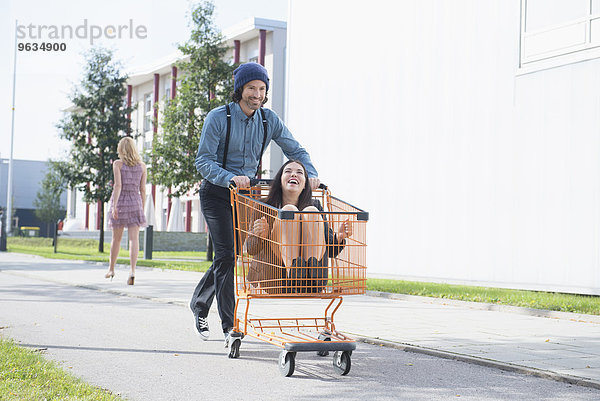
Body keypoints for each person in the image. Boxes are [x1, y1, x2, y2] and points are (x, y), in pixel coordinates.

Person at [191, 62, 320, 344]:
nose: (257, 94)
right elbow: (203, 160)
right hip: (217, 193)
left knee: (237, 255)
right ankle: (230, 325)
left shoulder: (268, 120)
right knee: (226, 255)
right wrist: (230, 178)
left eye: (262, 89)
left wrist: (310, 173)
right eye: (251, 88)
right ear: (240, 89)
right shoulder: (218, 118)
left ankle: (199, 303)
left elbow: (295, 149)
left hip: (248, 197)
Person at [245, 160, 352, 294]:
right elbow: (250, 249)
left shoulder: (316, 206)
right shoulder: (263, 206)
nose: (294, 174)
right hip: (276, 277)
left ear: (305, 185)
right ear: (280, 180)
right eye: (288, 171)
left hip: (311, 282)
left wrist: (339, 237)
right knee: (289, 211)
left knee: (311, 211)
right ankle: (294, 274)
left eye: (299, 172)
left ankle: (310, 275)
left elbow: (329, 250)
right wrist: (262, 236)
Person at [105, 136, 147, 285]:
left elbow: (118, 186)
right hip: (135, 202)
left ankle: (111, 269)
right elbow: (143, 190)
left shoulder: (118, 164)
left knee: (116, 239)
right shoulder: (142, 166)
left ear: (121, 149)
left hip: (121, 202)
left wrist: (114, 206)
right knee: (134, 239)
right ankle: (132, 271)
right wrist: (141, 206)